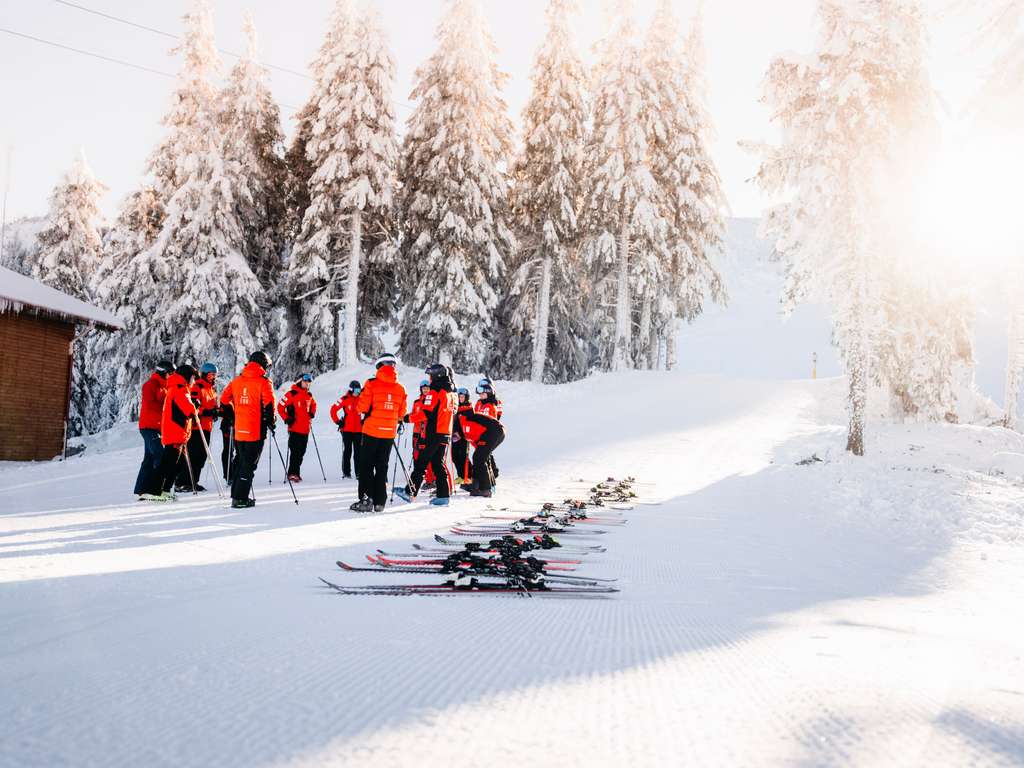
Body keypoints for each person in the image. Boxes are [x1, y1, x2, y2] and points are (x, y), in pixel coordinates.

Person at [351, 353, 407, 513]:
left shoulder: (371, 383)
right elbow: (401, 412)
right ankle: (380, 501)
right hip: (389, 432)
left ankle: (366, 499)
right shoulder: (400, 388)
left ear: (379, 366)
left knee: (366, 465)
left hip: (371, 430)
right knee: (382, 466)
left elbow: (361, 408)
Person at [396, 364, 458, 506]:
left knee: (421, 462)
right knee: (437, 464)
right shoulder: (450, 393)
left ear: (436, 376)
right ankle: (443, 496)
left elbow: (425, 413)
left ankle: (409, 492)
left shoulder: (434, 391)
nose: (429, 378)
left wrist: (405, 419)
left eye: (430, 375)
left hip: (434, 433)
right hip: (445, 433)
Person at [221, 351, 276, 508]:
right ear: (263, 364)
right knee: (249, 465)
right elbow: (269, 405)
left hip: (240, 430)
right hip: (255, 430)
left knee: (240, 461)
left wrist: (232, 414)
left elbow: (224, 399)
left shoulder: (237, 380)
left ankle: (236, 495)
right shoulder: (264, 382)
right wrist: (271, 422)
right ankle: (240, 498)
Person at [142, 364, 199, 500]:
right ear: (186, 377)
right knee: (169, 464)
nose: (194, 381)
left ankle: (165, 490)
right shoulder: (180, 389)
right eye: (192, 378)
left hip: (176, 433)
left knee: (176, 465)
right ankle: (156, 491)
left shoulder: (177, 388)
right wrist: (195, 406)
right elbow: (188, 410)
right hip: (175, 433)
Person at [175, 362, 219, 492]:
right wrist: (206, 412)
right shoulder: (197, 387)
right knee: (194, 455)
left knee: (201, 457)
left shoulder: (211, 389)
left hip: (207, 427)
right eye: (211, 375)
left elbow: (211, 405)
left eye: (215, 375)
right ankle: (182, 482)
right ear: (204, 374)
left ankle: (193, 481)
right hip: (196, 428)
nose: (213, 378)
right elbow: (194, 406)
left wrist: (216, 411)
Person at [134, 359, 174, 498]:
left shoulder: (165, 387)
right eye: (170, 373)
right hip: (148, 426)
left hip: (156, 427)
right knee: (159, 455)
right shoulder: (150, 385)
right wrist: (167, 407)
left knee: (149, 459)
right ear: (163, 372)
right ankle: (155, 490)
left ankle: (141, 490)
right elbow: (150, 405)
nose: (171, 375)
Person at [459, 402, 506, 498]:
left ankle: (485, 489)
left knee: (479, 458)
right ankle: (477, 485)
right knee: (479, 457)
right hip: (495, 431)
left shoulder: (465, 419)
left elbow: (472, 432)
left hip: (494, 431)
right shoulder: (465, 419)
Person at [278, 373, 317, 482]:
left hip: (305, 429)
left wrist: (312, 413)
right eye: (305, 381)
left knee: (301, 453)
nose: (307, 383)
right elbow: (280, 406)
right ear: (300, 381)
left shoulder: (309, 395)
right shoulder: (291, 394)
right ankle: (292, 474)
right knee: (295, 452)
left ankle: (296, 473)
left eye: (309, 382)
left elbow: (314, 405)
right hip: (294, 428)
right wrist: (287, 418)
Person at [330, 380, 363, 479]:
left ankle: (359, 473)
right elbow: (333, 410)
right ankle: (346, 472)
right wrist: (338, 422)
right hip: (347, 430)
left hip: (358, 431)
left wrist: (365, 420)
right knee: (347, 451)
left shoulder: (361, 399)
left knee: (358, 452)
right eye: (356, 390)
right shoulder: (344, 399)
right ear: (351, 389)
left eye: (359, 390)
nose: (358, 392)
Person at [474, 380, 502, 485]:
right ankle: (489, 477)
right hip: (480, 433)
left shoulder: (491, 405)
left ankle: (490, 479)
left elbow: (492, 418)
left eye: (483, 393)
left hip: (488, 433)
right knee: (485, 455)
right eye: (480, 394)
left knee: (484, 456)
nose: (480, 395)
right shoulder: (479, 403)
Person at [451, 386, 474, 486]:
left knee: (463, 456)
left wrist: (461, 434)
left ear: (466, 397)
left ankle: (469, 476)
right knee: (455, 457)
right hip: (454, 436)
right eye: (459, 397)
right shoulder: (456, 409)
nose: (460, 399)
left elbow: (469, 424)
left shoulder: (469, 409)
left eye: (462, 397)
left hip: (464, 437)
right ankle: (461, 476)